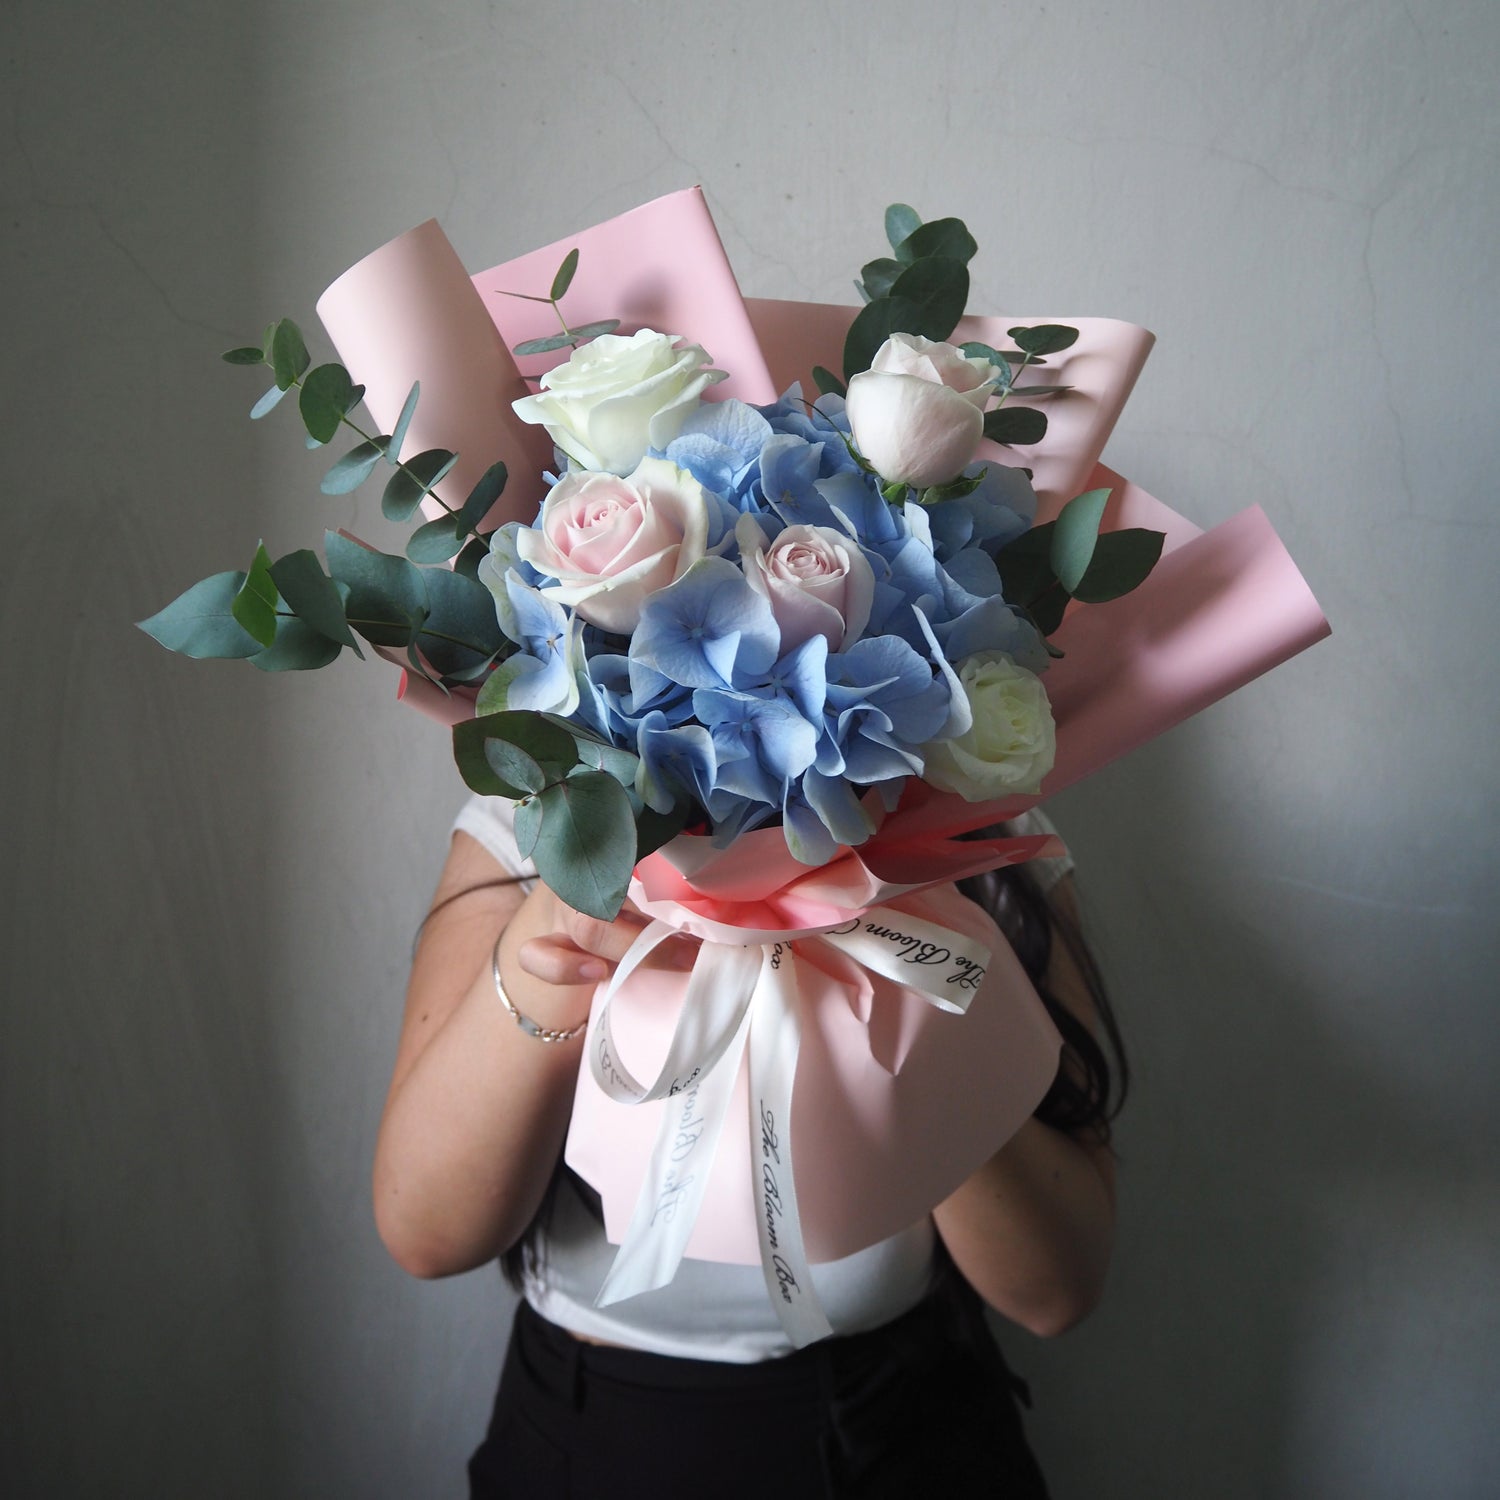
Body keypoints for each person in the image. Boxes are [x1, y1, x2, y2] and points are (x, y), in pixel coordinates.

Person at [375, 794, 1126, 1498]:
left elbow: (1056, 1292)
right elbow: (428, 1235)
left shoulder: (981, 818)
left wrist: (912, 991)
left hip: (912, 1426)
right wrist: (568, 919)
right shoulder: (539, 822)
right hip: (601, 1433)